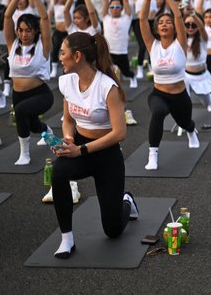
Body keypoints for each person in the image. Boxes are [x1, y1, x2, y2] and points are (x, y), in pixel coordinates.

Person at [51, 32, 139, 259]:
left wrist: (81, 150)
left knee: (113, 231)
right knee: (58, 173)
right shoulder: (67, 81)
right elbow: (68, 119)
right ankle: (67, 239)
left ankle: (126, 202)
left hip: (106, 154)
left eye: (63, 52)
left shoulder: (108, 87)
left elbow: (120, 132)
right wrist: (68, 140)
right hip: (79, 146)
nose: (59, 57)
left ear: (77, 55)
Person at [139, 0, 199, 170]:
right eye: (161, 22)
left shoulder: (179, 44)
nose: (164, 24)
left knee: (185, 123)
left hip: (180, 95)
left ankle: (191, 131)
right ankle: (152, 155)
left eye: (168, 22)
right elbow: (142, 19)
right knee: (158, 112)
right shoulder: (152, 45)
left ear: (174, 28)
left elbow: (179, 15)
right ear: (157, 28)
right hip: (159, 94)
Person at [4, 0, 54, 165]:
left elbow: (45, 17)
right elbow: (8, 16)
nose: (24, 34)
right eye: (21, 30)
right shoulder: (13, 44)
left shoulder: (43, 45)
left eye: (28, 30)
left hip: (41, 94)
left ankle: (24, 153)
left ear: (35, 32)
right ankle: (46, 131)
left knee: (22, 111)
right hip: (18, 94)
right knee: (33, 125)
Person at [101, 0, 137, 88]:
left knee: (126, 72)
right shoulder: (106, 18)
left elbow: (125, 0)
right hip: (109, 52)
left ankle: (133, 77)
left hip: (121, 52)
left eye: (117, 7)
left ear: (121, 8)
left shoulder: (126, 18)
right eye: (112, 7)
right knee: (104, 72)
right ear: (109, 9)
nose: (115, 9)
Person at [183, 11, 211, 112]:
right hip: (185, 76)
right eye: (187, 25)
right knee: (184, 101)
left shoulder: (203, 38)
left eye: (193, 25)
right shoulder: (181, 39)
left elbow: (202, 28)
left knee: (205, 101)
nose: (190, 27)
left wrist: (193, 14)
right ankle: (183, 124)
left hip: (200, 77)